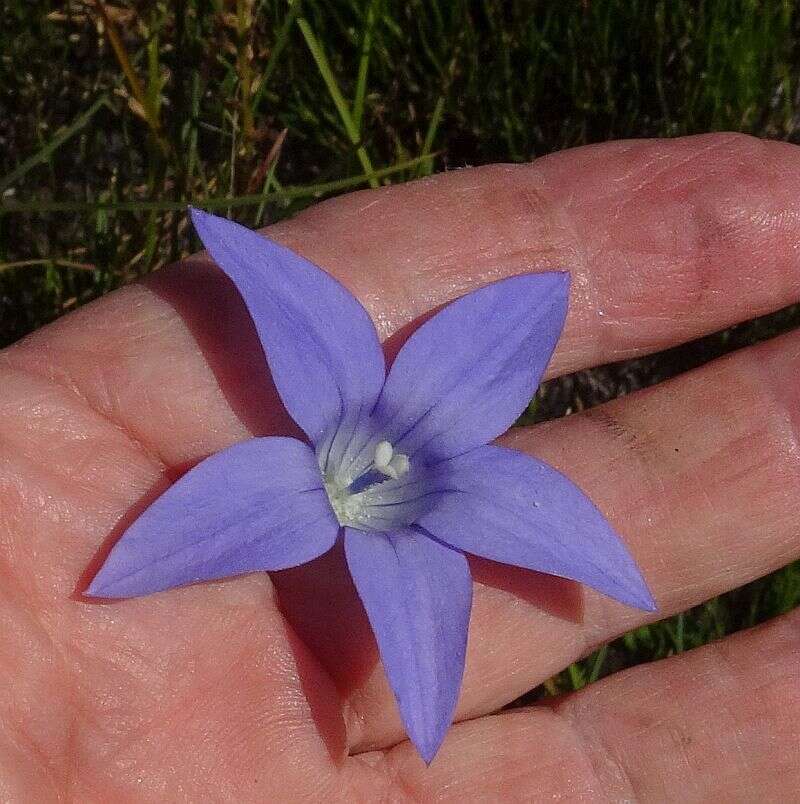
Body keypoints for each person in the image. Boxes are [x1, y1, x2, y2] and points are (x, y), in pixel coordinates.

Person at [1, 132, 798, 799]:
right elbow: (272, 304)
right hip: (309, 476)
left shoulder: (450, 485)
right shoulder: (305, 474)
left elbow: (529, 318)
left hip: (349, 486)